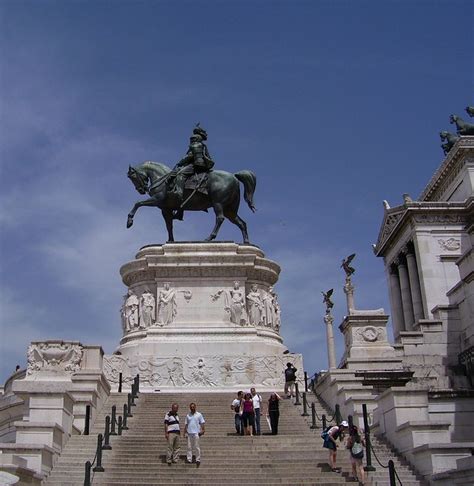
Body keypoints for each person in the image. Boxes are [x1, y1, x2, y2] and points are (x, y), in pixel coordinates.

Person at [169, 125, 214, 220]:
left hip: (197, 165)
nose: (191, 140)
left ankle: (179, 193)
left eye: (192, 138)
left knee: (180, 174)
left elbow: (189, 156)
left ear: (196, 138)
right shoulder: (202, 145)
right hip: (203, 165)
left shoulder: (195, 145)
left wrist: (180, 163)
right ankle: (180, 212)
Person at [184, 402, 205, 468]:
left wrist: (203, 430)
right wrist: (184, 432)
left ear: (195, 407)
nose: (192, 408)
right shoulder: (188, 415)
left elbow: (202, 423)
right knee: (189, 447)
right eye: (191, 407)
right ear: (190, 408)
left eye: (193, 407)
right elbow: (186, 424)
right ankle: (189, 459)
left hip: (196, 433)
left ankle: (198, 459)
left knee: (197, 447)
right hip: (189, 433)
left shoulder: (199, 414)